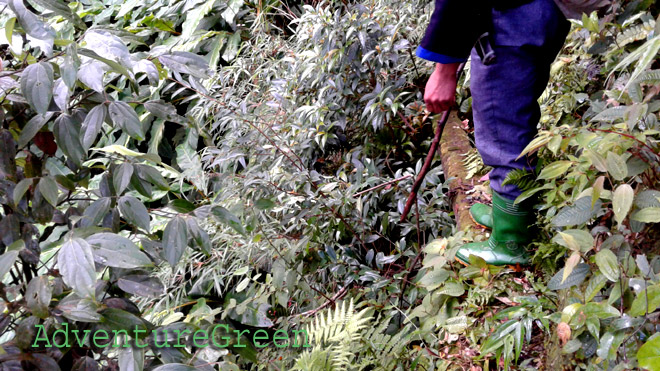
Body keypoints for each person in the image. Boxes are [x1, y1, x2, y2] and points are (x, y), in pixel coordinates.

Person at [416, 0, 609, 265]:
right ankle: (509, 213)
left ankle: (510, 241)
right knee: (517, 110)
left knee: (502, 126)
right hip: (541, 14)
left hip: (510, 19)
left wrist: (444, 71)